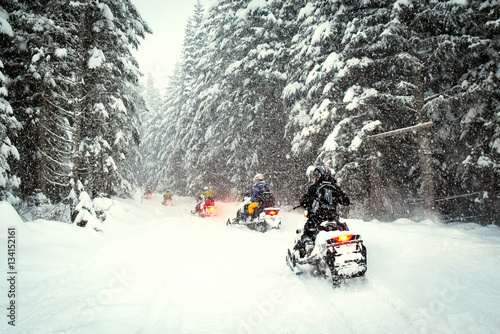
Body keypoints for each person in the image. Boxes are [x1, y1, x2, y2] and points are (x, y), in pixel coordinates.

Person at [294, 166, 350, 258]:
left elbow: (305, 201)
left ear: (319, 175)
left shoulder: (314, 187)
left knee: (307, 233)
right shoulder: (335, 187)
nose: (314, 178)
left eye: (315, 176)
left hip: (317, 219)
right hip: (333, 219)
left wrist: (304, 203)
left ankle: (308, 246)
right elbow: (346, 201)